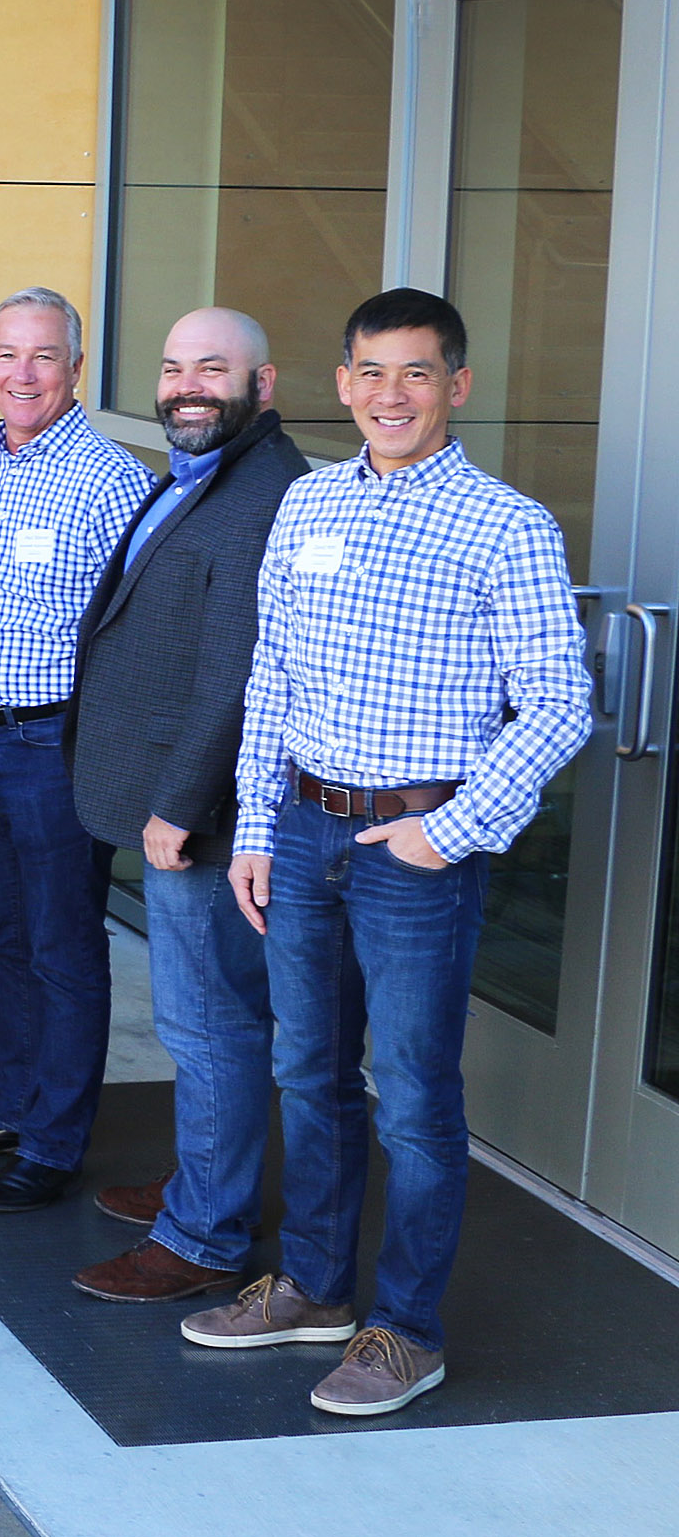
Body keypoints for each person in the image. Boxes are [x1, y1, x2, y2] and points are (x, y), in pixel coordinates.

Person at [198, 288, 589, 1416]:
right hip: (305, 827)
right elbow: (271, 676)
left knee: (413, 1094)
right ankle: (315, 1287)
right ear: (342, 383)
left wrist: (450, 831)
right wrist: (258, 830)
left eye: (415, 373)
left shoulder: (505, 524)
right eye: (370, 371)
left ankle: (404, 1327)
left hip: (415, 842)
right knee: (306, 1071)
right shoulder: (310, 502)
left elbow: (559, 702)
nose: (390, 394)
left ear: (456, 386)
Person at [65, 307, 305, 1304]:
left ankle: (205, 1234)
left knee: (211, 1026)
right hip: (171, 801)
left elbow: (239, 676)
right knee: (205, 1022)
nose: (187, 384)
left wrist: (181, 803)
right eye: (172, 367)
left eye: (214, 367)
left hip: (201, 816)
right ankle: (209, 1181)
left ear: (265, 381)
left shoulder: (263, 496)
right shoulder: (204, 472)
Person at [0, 288, 153, 1212]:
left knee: (63, 945)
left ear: (76, 369)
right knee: (6, 937)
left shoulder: (112, 479)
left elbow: (130, 635)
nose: (23, 374)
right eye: (8, 354)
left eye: (44, 357)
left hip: (59, 742)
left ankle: (55, 1143)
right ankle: (16, 1107)